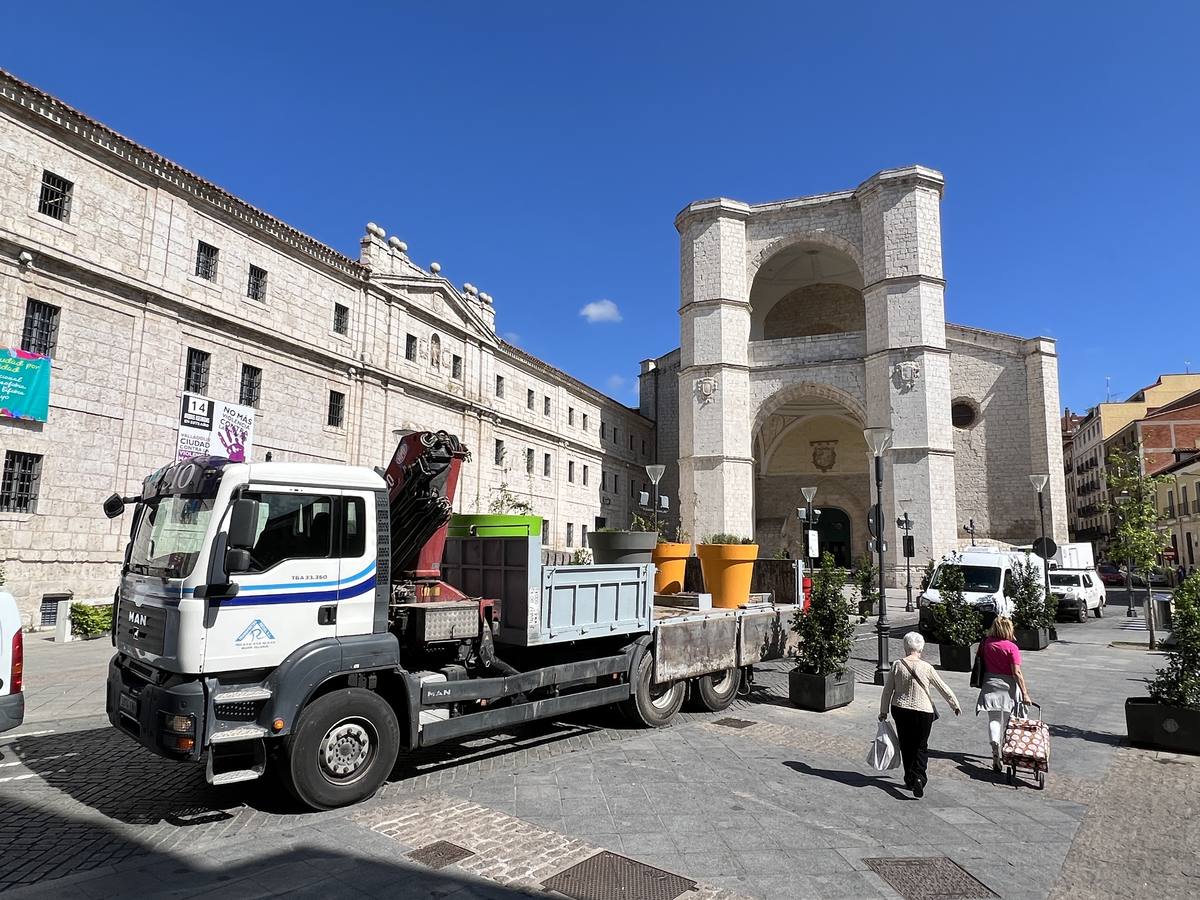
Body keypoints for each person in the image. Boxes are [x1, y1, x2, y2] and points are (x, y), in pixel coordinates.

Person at [879, 632, 961, 797]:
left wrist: (883, 711)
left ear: (905, 646)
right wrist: (954, 704)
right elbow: (942, 687)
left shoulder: (897, 665)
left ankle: (910, 778)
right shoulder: (927, 667)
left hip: (900, 709)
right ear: (921, 648)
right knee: (921, 746)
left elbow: (888, 690)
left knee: (906, 744)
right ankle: (919, 778)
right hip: (923, 711)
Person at [976, 616, 1034, 772]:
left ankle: (994, 744)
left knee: (994, 719)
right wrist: (1025, 693)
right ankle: (1007, 750)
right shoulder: (1011, 647)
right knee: (1010, 720)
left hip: (990, 682)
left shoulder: (986, 643)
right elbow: (1017, 672)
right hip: (1008, 686)